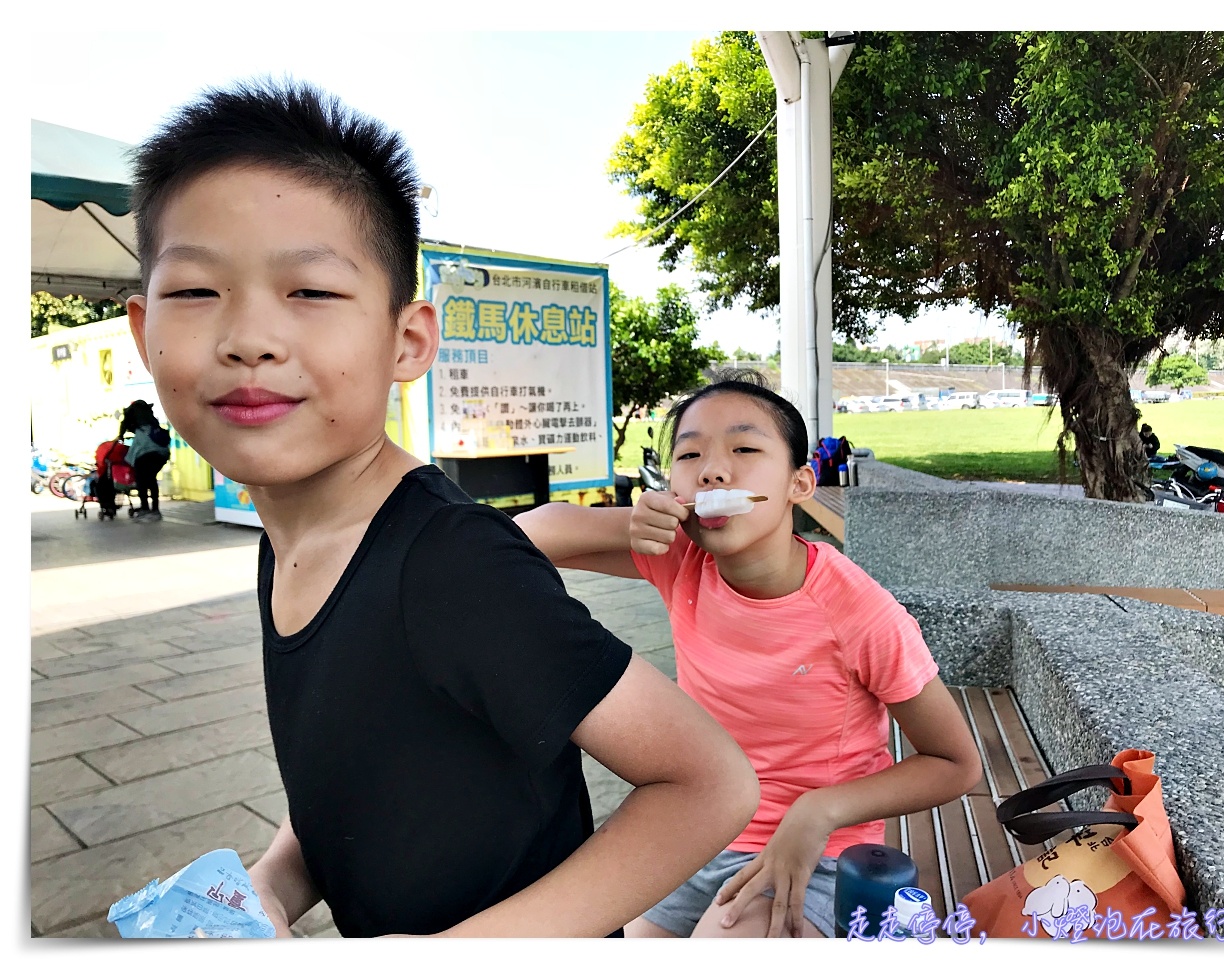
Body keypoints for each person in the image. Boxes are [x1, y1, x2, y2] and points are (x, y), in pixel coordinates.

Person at [123, 80, 759, 939]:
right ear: (141, 330)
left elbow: (708, 783)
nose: (249, 338)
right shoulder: (296, 537)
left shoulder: (450, 563)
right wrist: (272, 884)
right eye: (197, 292)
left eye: (309, 292)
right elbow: (350, 785)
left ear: (407, 339)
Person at [517, 369, 983, 938]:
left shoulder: (859, 612)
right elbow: (526, 536)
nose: (714, 469)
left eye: (744, 448)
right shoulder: (683, 559)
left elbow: (955, 764)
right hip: (696, 824)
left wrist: (819, 811)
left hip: (811, 850)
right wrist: (629, 521)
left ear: (799, 484)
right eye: (689, 456)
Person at [120, 400, 170, 521]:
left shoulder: (136, 425)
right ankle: (155, 510)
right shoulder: (152, 422)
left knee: (141, 481)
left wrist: (120, 436)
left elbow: (124, 426)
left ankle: (145, 509)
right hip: (162, 454)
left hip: (145, 455)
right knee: (151, 479)